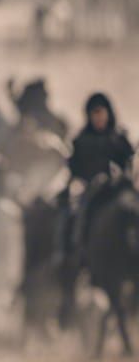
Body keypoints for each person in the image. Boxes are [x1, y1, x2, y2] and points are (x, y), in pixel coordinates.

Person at [57, 92, 134, 265]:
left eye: (101, 113)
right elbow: (74, 169)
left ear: (108, 113)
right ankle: (73, 255)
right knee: (74, 216)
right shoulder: (81, 141)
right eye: (95, 113)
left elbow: (128, 165)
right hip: (89, 190)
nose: (99, 118)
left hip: (117, 190)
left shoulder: (119, 139)